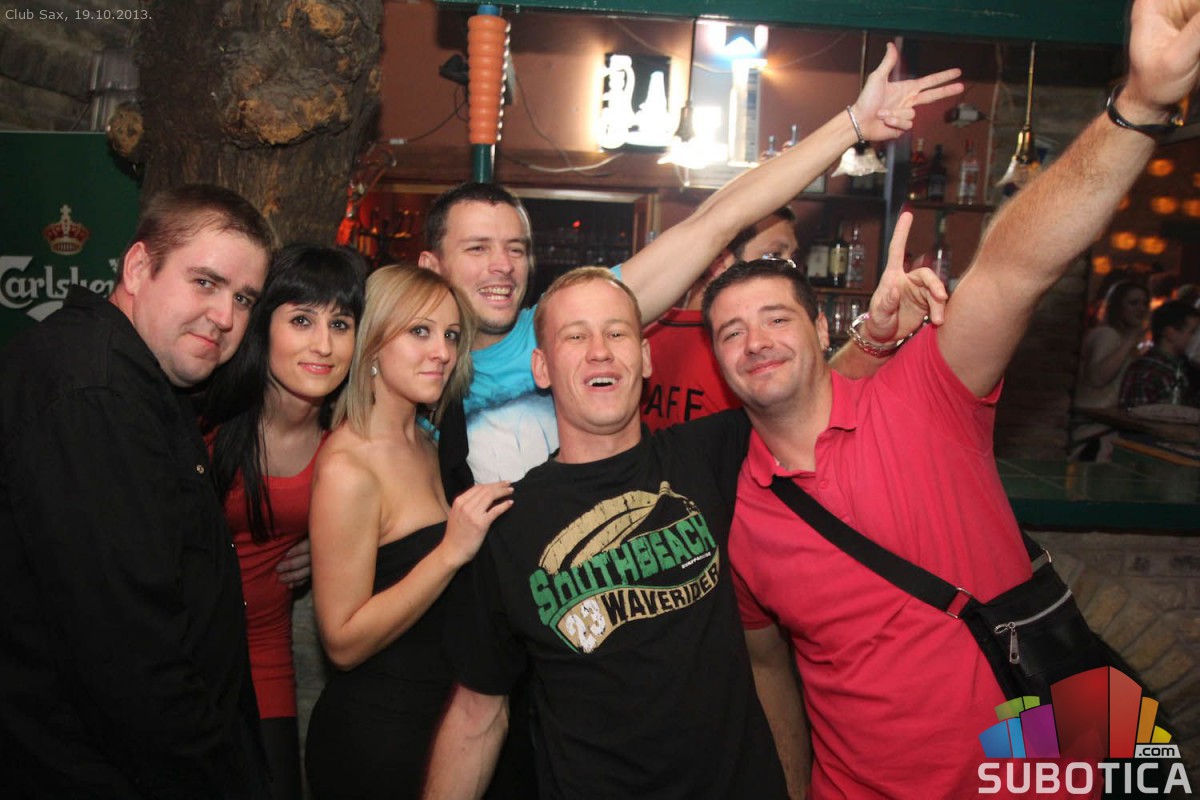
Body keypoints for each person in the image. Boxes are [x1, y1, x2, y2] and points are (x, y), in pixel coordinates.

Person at [703, 2, 1200, 795]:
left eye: (775, 318)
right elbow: (770, 668)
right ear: (718, 361)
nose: (755, 340)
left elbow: (1013, 270)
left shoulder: (926, 394)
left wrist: (1137, 107)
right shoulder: (740, 515)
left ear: (820, 326)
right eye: (731, 331)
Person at [423, 249, 946, 799]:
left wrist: (876, 336)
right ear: (542, 367)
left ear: (646, 357)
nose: (600, 351)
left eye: (617, 333)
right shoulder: (507, 526)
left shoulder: (708, 454)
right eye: (575, 337)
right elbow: (477, 716)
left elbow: (806, 392)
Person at [419, 44, 964, 482]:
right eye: (477, 248)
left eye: (516, 248)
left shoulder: (564, 330)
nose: (503, 266)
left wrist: (851, 125)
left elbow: (716, 222)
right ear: (431, 264)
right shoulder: (402, 362)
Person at [0, 184, 274, 797]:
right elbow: (127, 651)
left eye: (243, 298)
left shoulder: (134, 379)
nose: (225, 317)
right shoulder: (95, 394)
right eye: (204, 283)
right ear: (137, 268)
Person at [304, 265, 525, 800]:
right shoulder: (348, 467)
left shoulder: (429, 442)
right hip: (378, 736)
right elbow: (342, 642)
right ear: (374, 344)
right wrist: (450, 552)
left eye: (451, 335)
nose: (442, 352)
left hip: (444, 723)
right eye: (420, 332)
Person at [203, 244, 367, 800]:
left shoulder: (346, 444)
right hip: (180, 647)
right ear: (262, 326)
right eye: (301, 320)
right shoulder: (207, 418)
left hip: (263, 649)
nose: (323, 345)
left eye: (340, 324)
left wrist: (327, 548)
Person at [641, 206, 799, 431]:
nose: (791, 271)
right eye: (773, 256)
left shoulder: (646, 334)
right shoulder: (749, 352)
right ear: (719, 262)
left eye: (791, 258)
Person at [1070, 279, 1150, 459]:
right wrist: (1130, 340)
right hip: (1093, 429)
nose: (1141, 309)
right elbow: (1098, 377)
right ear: (1117, 306)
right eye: (1133, 303)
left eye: (1144, 303)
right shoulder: (1108, 334)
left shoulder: (1119, 337)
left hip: (1101, 426)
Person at [1119, 299, 1200, 408]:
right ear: (1170, 334)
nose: (1197, 338)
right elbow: (1137, 415)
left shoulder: (1183, 367)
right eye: (1193, 332)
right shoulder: (1146, 372)